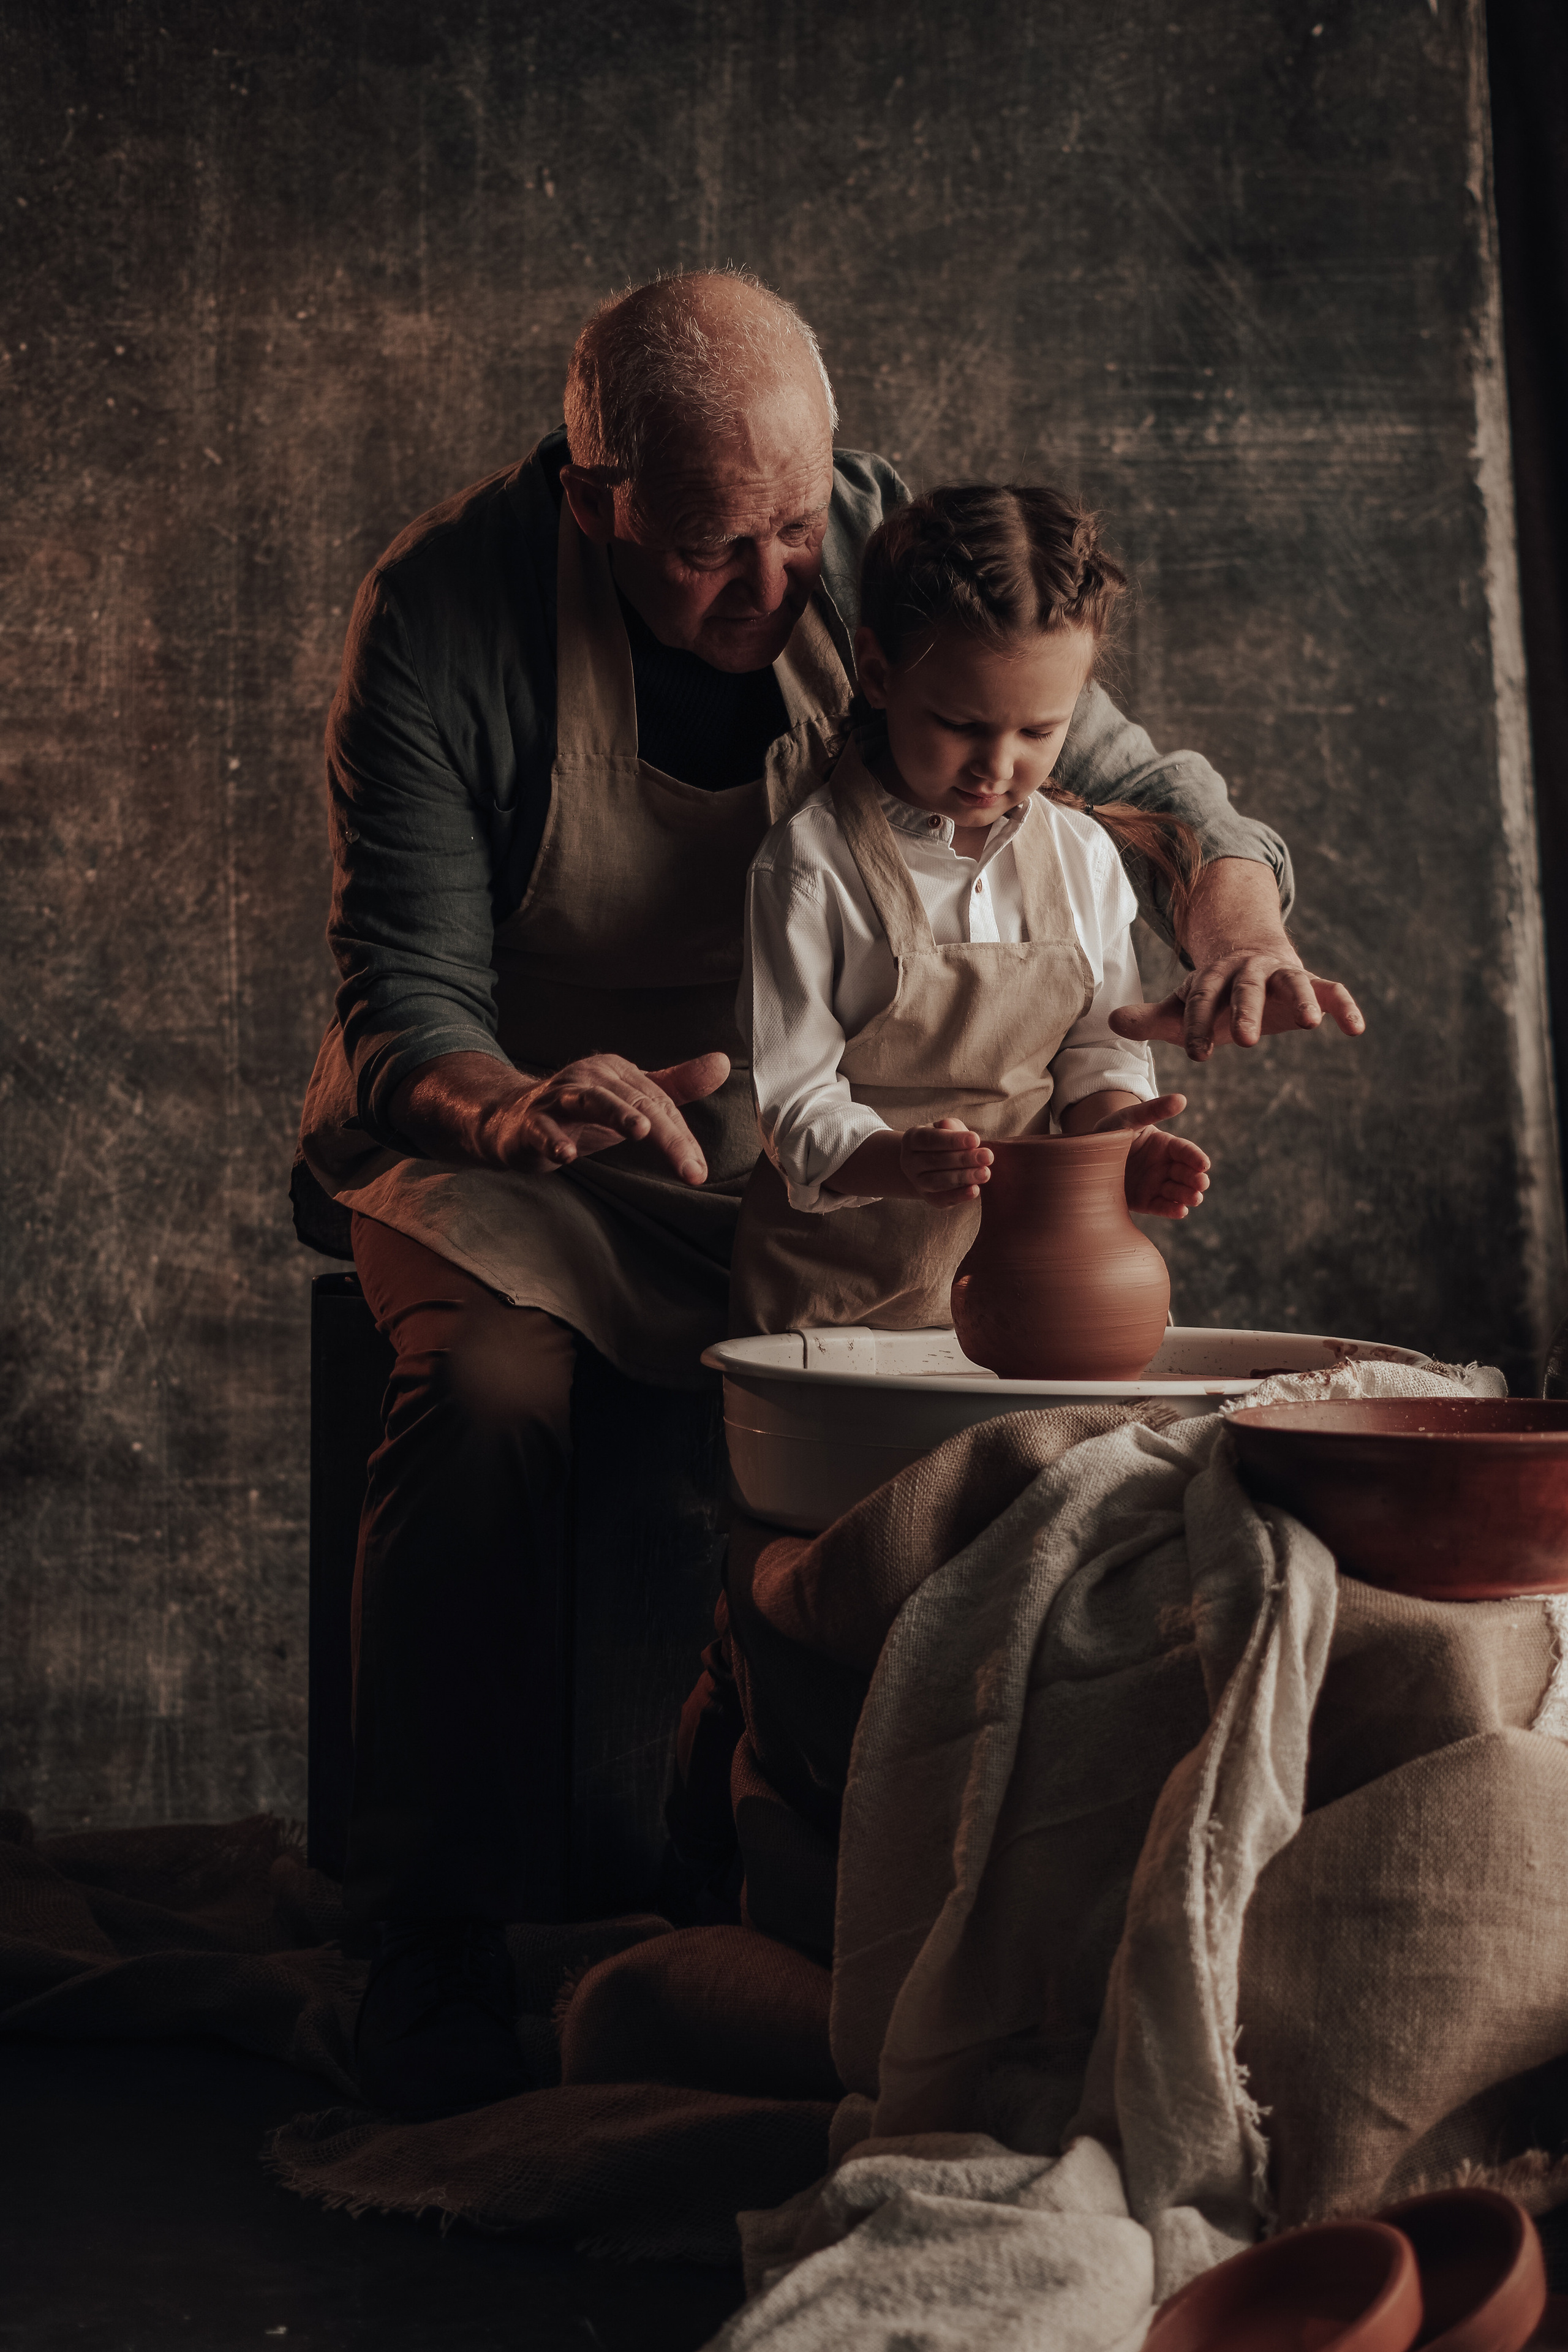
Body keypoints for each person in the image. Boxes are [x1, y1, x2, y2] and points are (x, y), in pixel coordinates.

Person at [292, 268, 1362, 2119]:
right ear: (593, 493)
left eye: (800, 525)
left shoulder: (866, 543)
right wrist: (511, 1099)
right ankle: (434, 1936)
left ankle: (798, 1903)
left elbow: (1128, 779)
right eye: (719, 547)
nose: (780, 585)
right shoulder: (445, 615)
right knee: (487, 1398)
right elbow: (407, 1001)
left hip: (814, 1166)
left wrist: (1238, 903)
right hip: (528, 1139)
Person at [731, 483, 1210, 1338]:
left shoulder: (1082, 857)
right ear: (877, 675)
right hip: (842, 1303)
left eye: (1038, 732)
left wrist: (1121, 1148)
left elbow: (1099, 1051)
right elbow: (795, 1108)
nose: (996, 767)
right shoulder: (809, 866)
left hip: (1029, 1289)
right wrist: (900, 1161)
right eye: (961, 724)